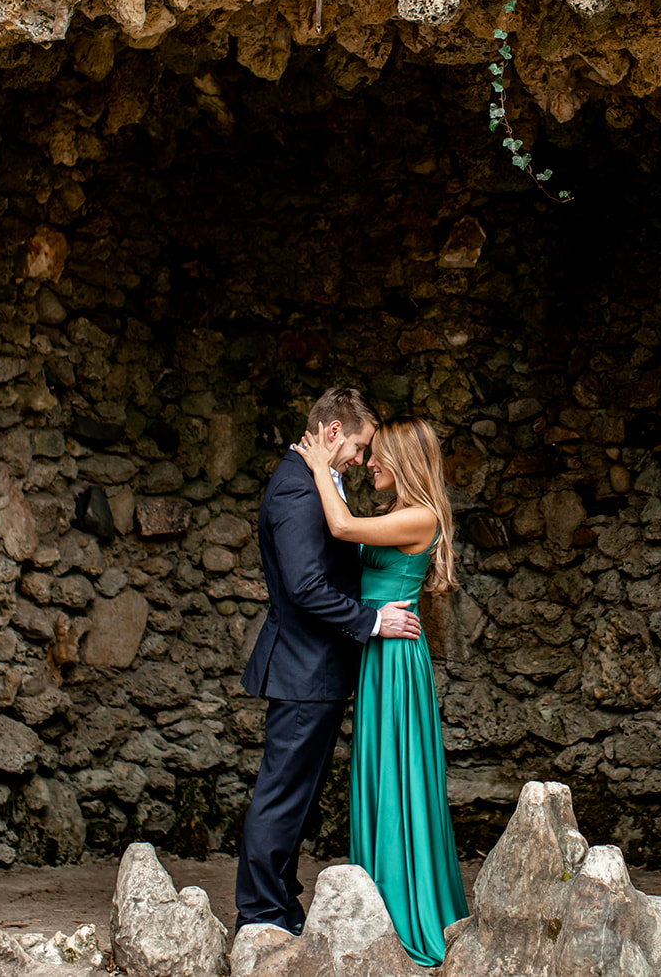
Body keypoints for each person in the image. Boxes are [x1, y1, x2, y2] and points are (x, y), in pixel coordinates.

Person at [236, 387, 422, 936]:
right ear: (335, 433)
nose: (363, 461)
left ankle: (280, 906)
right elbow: (306, 586)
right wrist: (372, 620)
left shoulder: (315, 481)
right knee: (282, 796)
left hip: (314, 669)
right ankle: (262, 915)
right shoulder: (296, 489)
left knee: (297, 798)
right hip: (302, 668)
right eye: (361, 447)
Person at [293, 415, 469, 966]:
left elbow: (343, 529)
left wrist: (321, 466)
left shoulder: (420, 517)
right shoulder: (397, 515)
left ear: (403, 460)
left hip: (395, 658)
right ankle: (381, 903)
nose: (368, 463)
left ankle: (405, 910)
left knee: (398, 778)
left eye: (376, 456)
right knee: (379, 772)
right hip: (378, 654)